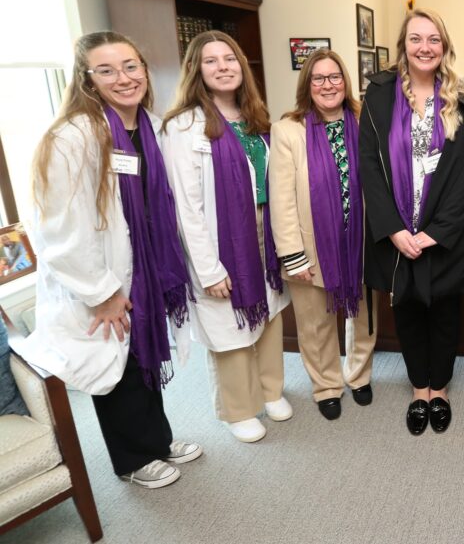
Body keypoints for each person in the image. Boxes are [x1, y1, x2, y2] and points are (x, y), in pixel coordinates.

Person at [20, 31, 201, 488]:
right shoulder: (71, 138)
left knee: (143, 359)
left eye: (131, 66)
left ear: (144, 69)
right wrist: (101, 293)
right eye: (107, 70)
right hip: (100, 279)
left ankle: (157, 441)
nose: (123, 78)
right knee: (116, 369)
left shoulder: (152, 127)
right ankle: (134, 459)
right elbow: (58, 230)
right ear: (87, 79)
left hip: (144, 266)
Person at [359, 9, 464, 435]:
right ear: (403, 46)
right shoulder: (378, 97)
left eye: (434, 39)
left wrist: (436, 233)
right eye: (416, 39)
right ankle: (418, 389)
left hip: (442, 231)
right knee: (408, 309)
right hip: (397, 228)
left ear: (444, 46)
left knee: (445, 309)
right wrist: (394, 229)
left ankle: (441, 388)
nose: (425, 47)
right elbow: (369, 169)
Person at [162, 31, 291, 443]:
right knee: (228, 323)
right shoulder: (184, 126)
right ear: (196, 71)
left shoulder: (255, 119)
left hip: (262, 232)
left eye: (230, 59)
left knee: (268, 312)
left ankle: (271, 389)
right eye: (211, 61)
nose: (223, 67)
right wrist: (208, 268)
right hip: (220, 241)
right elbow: (186, 207)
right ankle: (238, 408)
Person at [269, 48, 374, 419]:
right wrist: (293, 255)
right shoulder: (287, 131)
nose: (328, 85)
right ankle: (327, 385)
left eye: (335, 77)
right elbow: (281, 200)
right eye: (319, 78)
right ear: (307, 85)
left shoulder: (366, 121)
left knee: (363, 317)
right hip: (310, 247)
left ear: (345, 82)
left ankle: (359, 375)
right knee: (315, 324)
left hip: (361, 244)